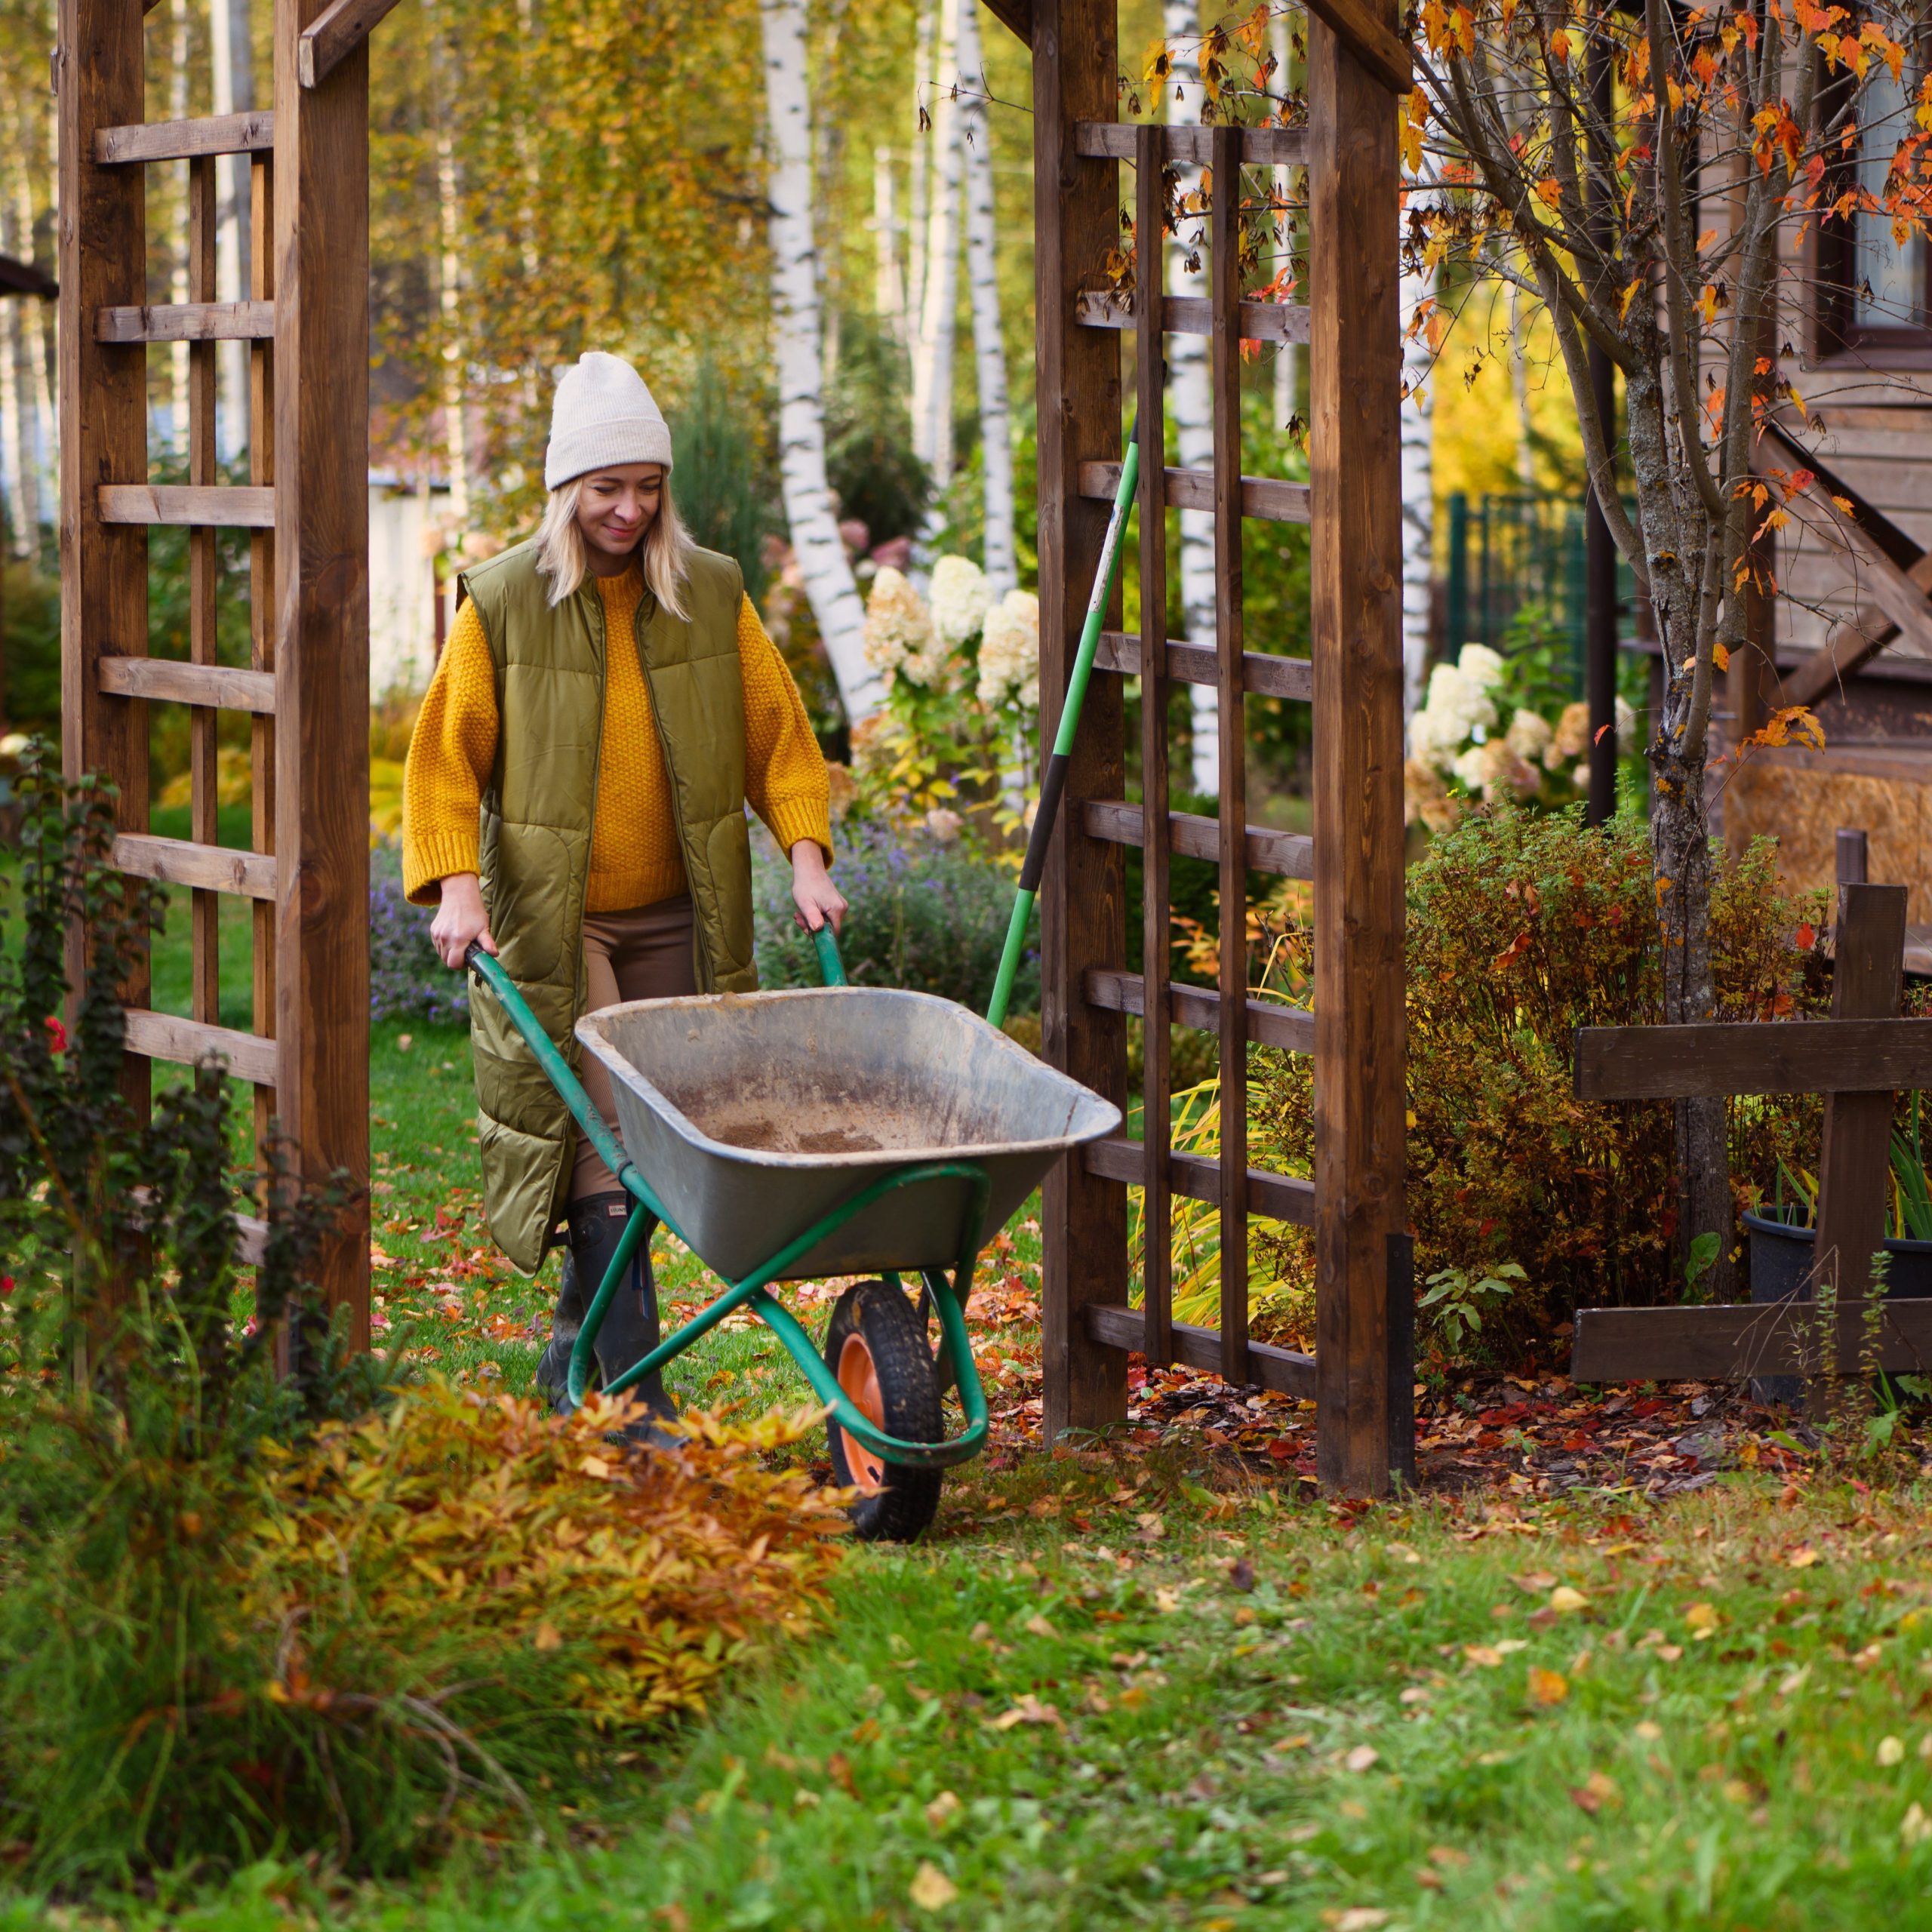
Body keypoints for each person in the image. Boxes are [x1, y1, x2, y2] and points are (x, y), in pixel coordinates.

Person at [401, 351, 846, 1424]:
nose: (630, 509)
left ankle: (574, 1358)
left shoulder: (709, 593)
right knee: (614, 1141)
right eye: (608, 488)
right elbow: (444, 760)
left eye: (648, 487)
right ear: (567, 490)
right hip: (566, 922)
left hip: (680, 913)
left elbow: (779, 736)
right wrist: (456, 889)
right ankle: (640, 1409)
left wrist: (805, 856)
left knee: (654, 1148)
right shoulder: (505, 603)